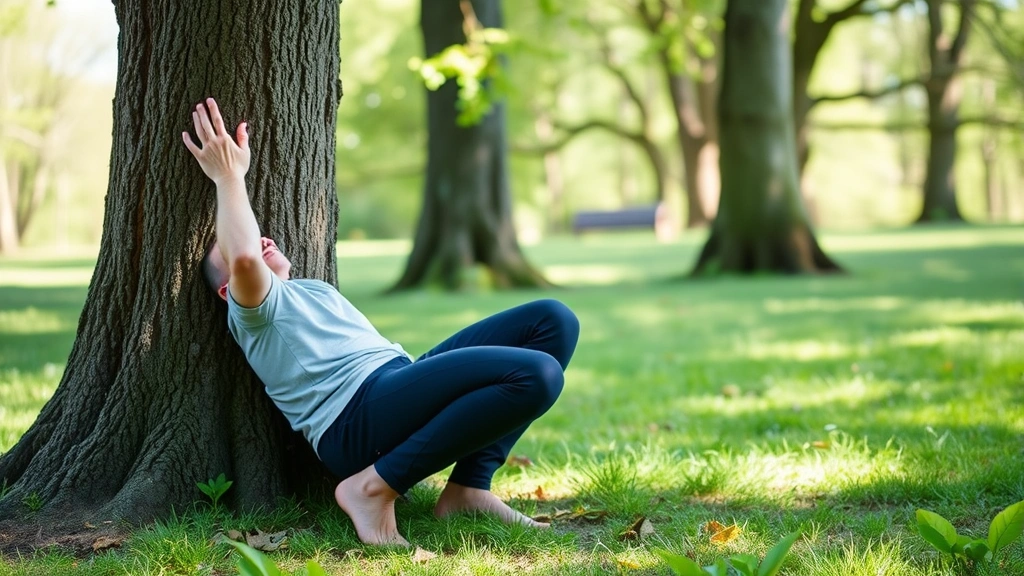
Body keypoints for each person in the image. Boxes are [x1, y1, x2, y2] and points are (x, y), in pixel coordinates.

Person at [182, 98, 579, 546]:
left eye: (260, 234)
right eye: (243, 244)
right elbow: (244, 258)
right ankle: (372, 487)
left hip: (395, 380)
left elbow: (246, 253)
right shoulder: (256, 313)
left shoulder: (308, 290)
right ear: (228, 289)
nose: (261, 240)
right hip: (354, 418)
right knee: (537, 375)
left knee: (553, 321)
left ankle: (469, 488)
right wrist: (229, 176)